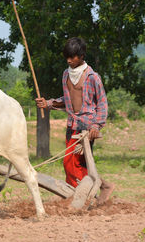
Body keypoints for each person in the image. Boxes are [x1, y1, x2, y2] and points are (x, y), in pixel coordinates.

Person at [35, 37, 114, 205]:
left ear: (82, 55)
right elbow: (67, 99)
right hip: (72, 125)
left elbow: (102, 103)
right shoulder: (66, 74)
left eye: (73, 57)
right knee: (79, 164)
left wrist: (96, 126)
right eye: (67, 57)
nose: (69, 60)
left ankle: (81, 197)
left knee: (71, 162)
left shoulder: (93, 77)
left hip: (87, 127)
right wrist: (48, 103)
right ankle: (98, 189)